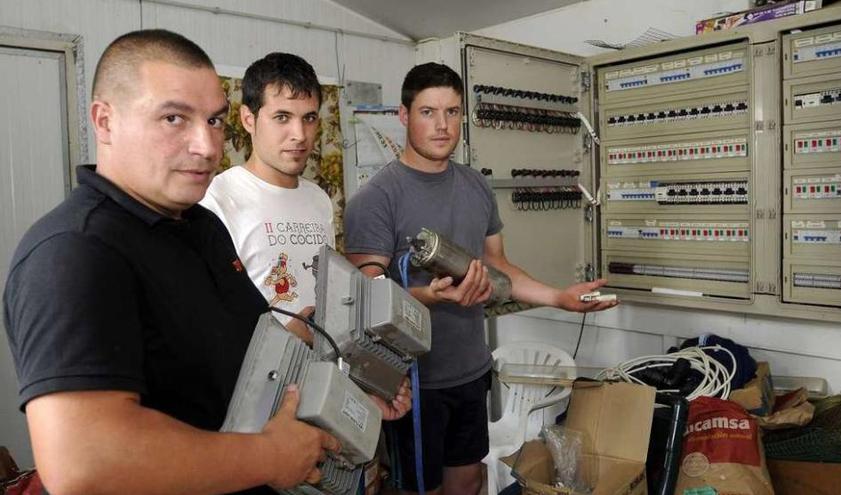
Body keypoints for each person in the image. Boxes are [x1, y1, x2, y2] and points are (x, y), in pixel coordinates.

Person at [3, 30, 341, 495]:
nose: (206, 146)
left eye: (215, 121)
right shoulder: (73, 253)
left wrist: (341, 403)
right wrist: (270, 456)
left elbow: (251, 357)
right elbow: (84, 463)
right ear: (104, 122)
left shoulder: (200, 226)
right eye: (174, 118)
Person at [343, 62, 618, 495]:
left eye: (452, 112)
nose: (442, 125)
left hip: (470, 371)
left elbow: (500, 267)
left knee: (469, 482)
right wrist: (431, 297)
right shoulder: (375, 199)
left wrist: (558, 297)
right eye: (428, 112)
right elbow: (365, 300)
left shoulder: (475, 185)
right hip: (413, 383)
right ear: (403, 115)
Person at [201, 52, 410, 420]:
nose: (299, 135)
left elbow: (332, 309)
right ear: (248, 119)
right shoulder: (217, 201)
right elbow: (209, 327)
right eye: (282, 117)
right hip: (257, 404)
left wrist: (365, 383)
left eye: (309, 118)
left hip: (319, 394)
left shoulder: (318, 199)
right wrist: (290, 335)